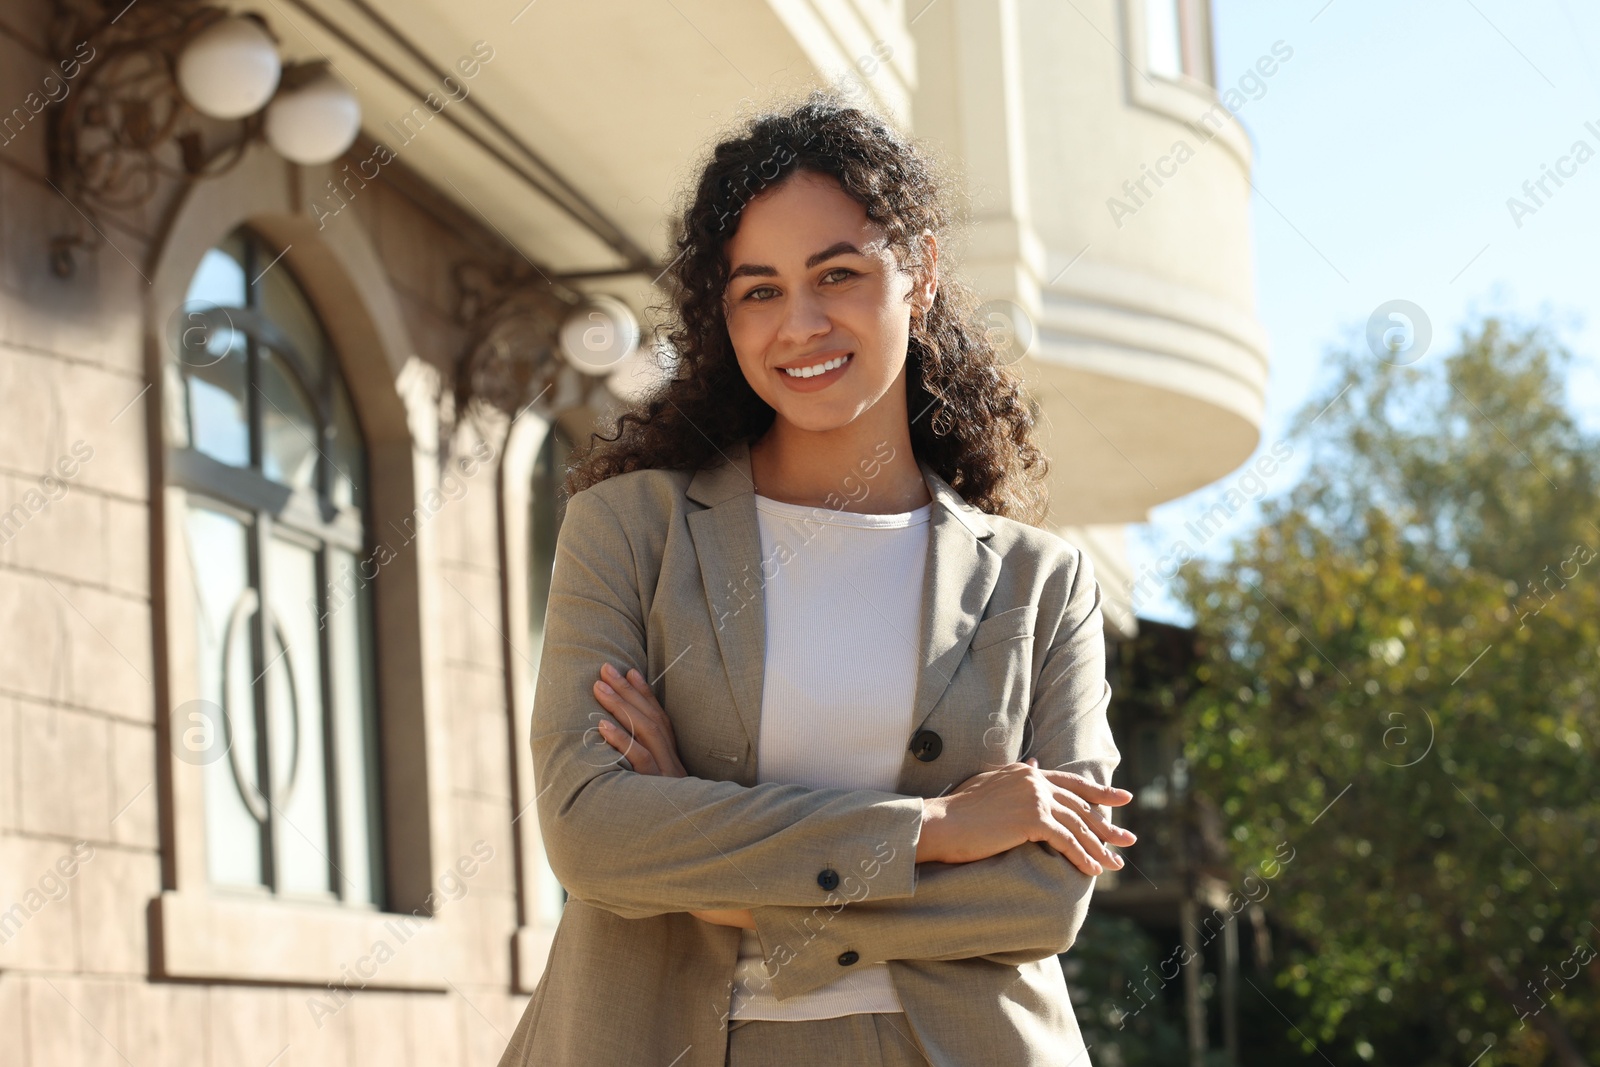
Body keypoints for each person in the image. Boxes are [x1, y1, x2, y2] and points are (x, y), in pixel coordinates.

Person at [496, 90, 1134, 1067]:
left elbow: (1041, 896)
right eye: (757, 288)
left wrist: (702, 861)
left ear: (916, 276)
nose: (798, 322)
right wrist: (938, 827)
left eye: (836, 273)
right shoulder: (627, 531)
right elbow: (591, 833)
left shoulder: (1041, 584)